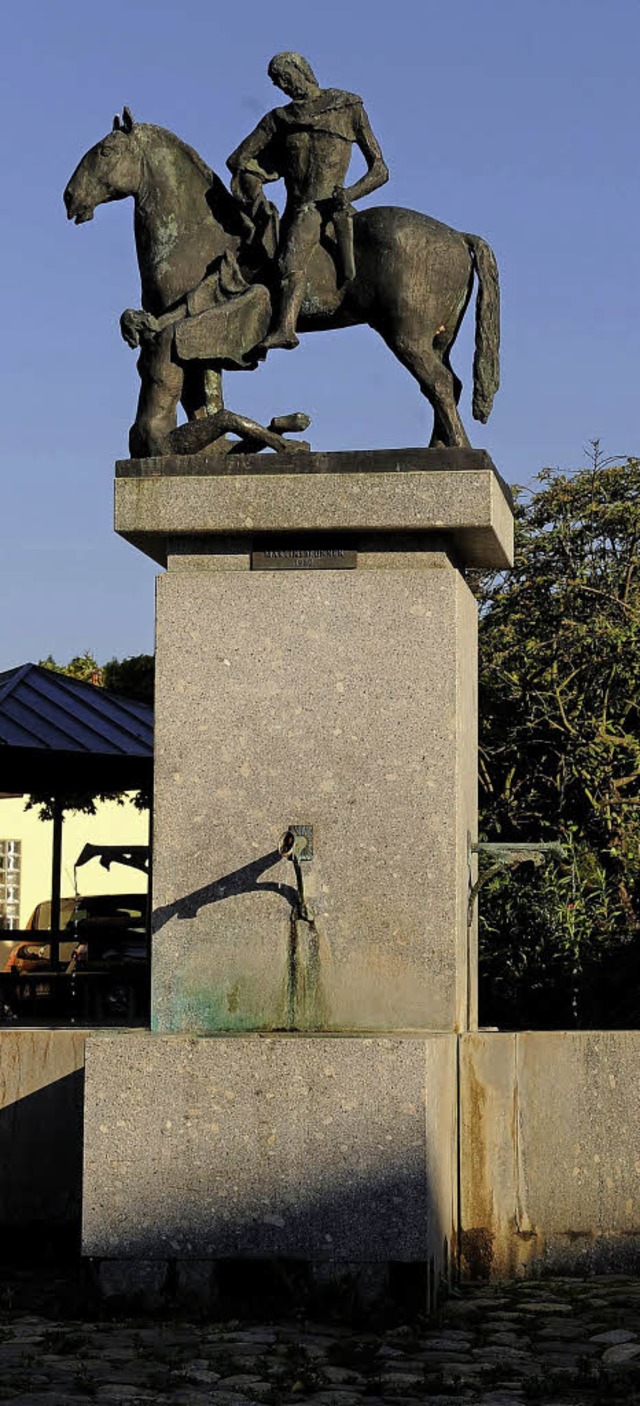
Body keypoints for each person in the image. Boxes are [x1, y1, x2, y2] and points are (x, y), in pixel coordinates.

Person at [226, 52, 389, 351]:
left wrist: (350, 193)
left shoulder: (347, 106)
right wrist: (256, 196)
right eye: (278, 83)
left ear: (303, 71)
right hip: (296, 210)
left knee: (290, 259)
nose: (284, 86)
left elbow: (380, 170)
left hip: (326, 207)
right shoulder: (278, 120)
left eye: (286, 78)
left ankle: (286, 329)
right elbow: (239, 160)